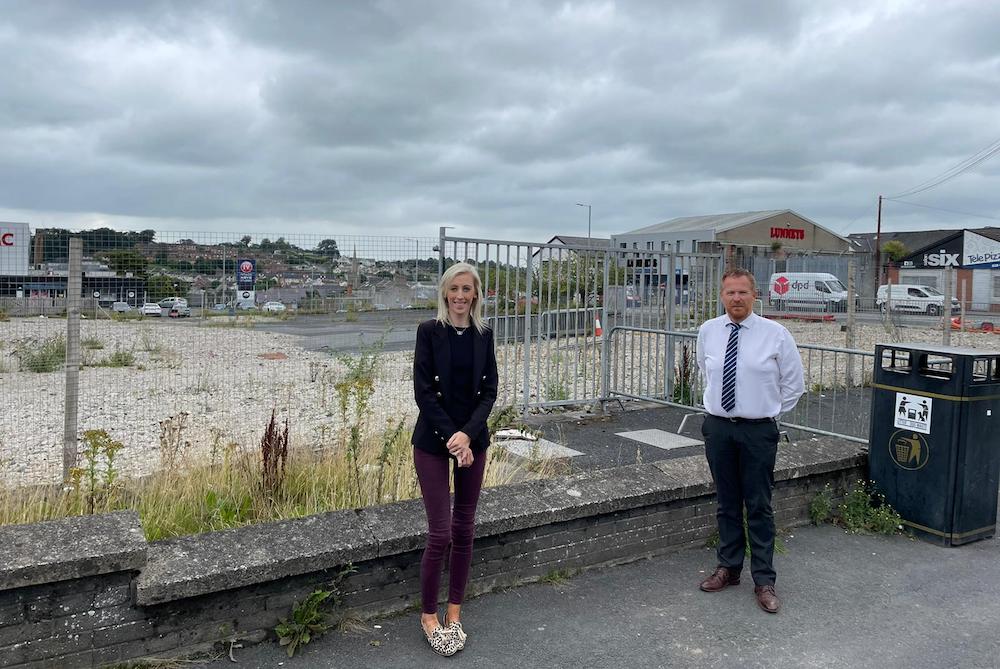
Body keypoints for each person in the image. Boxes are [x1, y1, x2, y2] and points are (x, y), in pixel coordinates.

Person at [696, 267, 804, 614]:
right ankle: (728, 568)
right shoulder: (708, 331)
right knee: (726, 502)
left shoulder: (776, 334)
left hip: (758, 430)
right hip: (719, 428)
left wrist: (765, 413)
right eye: (730, 292)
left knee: (759, 505)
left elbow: (793, 385)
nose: (736, 298)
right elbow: (706, 372)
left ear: (754, 295)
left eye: (743, 292)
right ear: (722, 296)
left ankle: (764, 580)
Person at [411, 261, 498, 655]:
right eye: (454, 289)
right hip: (433, 439)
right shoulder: (429, 332)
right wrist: (452, 437)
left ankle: (454, 610)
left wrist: (467, 436)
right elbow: (424, 392)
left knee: (464, 528)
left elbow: (490, 391)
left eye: (467, 289)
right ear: (445, 293)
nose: (460, 296)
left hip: (472, 438)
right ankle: (428, 614)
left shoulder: (484, 334)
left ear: (476, 294)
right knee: (440, 532)